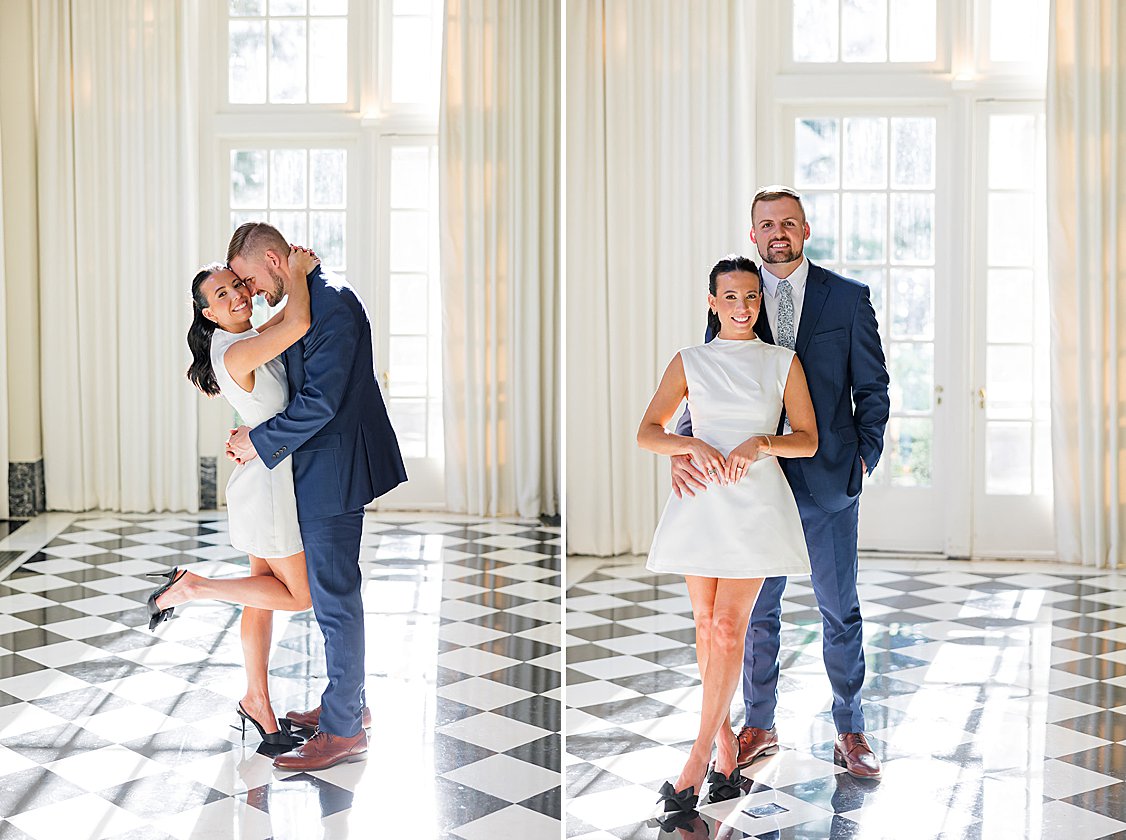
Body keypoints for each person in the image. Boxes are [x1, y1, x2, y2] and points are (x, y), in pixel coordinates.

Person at [673, 186, 890, 780]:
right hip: (752, 484)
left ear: (805, 230)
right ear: (753, 233)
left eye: (788, 223)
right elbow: (709, 382)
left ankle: (851, 728)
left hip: (828, 479)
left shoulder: (847, 300)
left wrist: (861, 461)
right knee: (754, 612)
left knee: (837, 607)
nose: (778, 232)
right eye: (766, 223)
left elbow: (873, 388)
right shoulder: (737, 297)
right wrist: (683, 449)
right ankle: (759, 724)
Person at [225, 221, 407, 772]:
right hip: (317, 470)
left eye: (252, 281)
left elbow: (321, 403)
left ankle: (346, 731)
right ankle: (345, 706)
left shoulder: (333, 307)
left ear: (276, 261)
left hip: (336, 471)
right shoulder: (312, 299)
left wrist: (258, 442)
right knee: (332, 597)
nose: (252, 295)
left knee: (334, 600)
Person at [638, 256, 817, 813]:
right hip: (702, 502)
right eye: (731, 297)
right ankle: (723, 749)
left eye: (751, 297)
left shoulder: (782, 361)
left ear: (760, 302)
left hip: (756, 505)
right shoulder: (689, 361)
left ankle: (693, 762)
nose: (743, 307)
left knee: (728, 625)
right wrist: (691, 446)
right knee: (703, 624)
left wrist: (762, 442)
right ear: (712, 302)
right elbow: (648, 432)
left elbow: (807, 440)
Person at [154, 245, 321, 752]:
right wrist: (296, 272)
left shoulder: (244, 338)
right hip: (268, 489)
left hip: (262, 481)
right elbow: (297, 324)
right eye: (222, 294)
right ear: (208, 313)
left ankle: (258, 703)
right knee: (300, 596)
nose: (238, 296)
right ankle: (195, 587)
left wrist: (244, 431)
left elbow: (272, 358)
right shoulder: (233, 349)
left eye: (238, 285)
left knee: (259, 596)